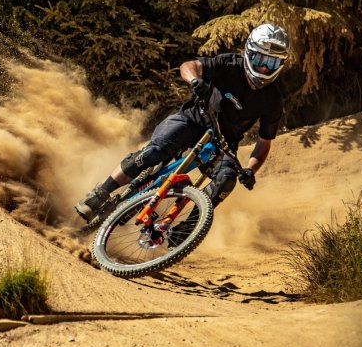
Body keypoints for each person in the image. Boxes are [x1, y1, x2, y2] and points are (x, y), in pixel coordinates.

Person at [74, 23, 289, 221]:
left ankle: (189, 228)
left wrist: (250, 169)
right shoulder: (229, 63)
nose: (264, 68)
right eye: (260, 59)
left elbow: (264, 143)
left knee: (226, 179)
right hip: (193, 118)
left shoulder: (274, 99)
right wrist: (195, 81)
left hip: (224, 143)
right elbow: (189, 65)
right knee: (154, 152)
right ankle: (100, 193)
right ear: (249, 53)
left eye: (271, 62)